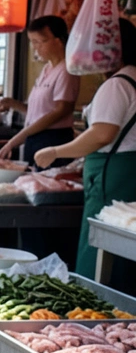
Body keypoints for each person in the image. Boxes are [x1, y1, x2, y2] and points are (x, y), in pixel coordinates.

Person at [36, 19, 136, 280]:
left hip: (111, 177)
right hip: (126, 173)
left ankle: (101, 315)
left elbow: (102, 134)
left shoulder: (116, 85)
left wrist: (56, 151)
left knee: (103, 251)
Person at [0, 16, 79, 167]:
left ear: (58, 41)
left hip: (53, 139)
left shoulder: (67, 70)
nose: (35, 47)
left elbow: (62, 110)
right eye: (32, 42)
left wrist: (16, 139)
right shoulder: (47, 69)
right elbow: (39, 112)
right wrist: (13, 104)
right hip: (34, 137)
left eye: (39, 42)